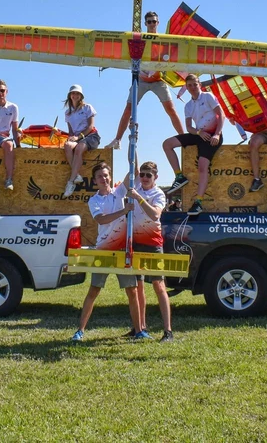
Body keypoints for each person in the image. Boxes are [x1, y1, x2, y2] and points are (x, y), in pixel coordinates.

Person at [71, 162, 144, 342]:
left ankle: (139, 330)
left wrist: (132, 136)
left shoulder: (119, 192)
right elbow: (102, 220)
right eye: (100, 177)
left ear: (110, 176)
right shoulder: (94, 200)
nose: (103, 179)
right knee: (94, 289)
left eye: (106, 175)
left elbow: (135, 171)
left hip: (122, 248)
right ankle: (80, 331)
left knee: (132, 290)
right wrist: (123, 211)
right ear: (95, 181)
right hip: (103, 249)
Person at [105, 11, 184, 149]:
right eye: (149, 21)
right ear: (145, 23)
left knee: (171, 109)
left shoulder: (163, 40)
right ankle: (117, 139)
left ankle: (184, 138)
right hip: (141, 80)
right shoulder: (139, 39)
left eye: (154, 21)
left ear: (158, 23)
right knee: (128, 109)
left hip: (158, 80)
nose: (152, 24)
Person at [162, 74, 223, 215]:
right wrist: (199, 132)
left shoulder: (208, 97)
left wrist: (217, 134)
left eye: (194, 84)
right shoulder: (188, 106)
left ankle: (199, 202)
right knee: (167, 144)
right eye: (189, 85)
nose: (193, 88)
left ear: (199, 84)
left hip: (212, 135)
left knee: (202, 167)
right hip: (199, 134)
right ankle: (179, 176)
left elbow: (221, 115)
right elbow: (189, 127)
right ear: (187, 88)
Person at [127, 161, 173, 343]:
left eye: (149, 175)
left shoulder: (158, 193)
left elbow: (155, 214)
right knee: (138, 287)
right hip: (135, 242)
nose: (144, 178)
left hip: (153, 243)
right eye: (143, 175)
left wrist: (138, 198)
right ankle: (140, 327)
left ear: (156, 177)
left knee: (158, 286)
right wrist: (133, 134)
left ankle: (168, 331)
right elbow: (134, 163)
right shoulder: (136, 184)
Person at [62, 84, 100, 197]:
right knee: (68, 146)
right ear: (70, 95)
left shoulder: (87, 107)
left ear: (81, 96)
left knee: (79, 148)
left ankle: (71, 181)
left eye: (77, 93)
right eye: (73, 93)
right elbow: (71, 132)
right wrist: (71, 138)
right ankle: (77, 174)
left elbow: (90, 127)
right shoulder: (67, 113)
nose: (75, 95)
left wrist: (78, 138)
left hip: (91, 136)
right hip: (78, 137)